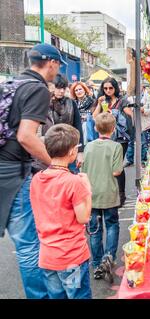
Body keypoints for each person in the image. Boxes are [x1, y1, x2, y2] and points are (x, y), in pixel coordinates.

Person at [0, 43, 65, 299]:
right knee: (28, 245)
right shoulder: (38, 89)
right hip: (13, 173)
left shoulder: (12, 84)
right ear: (51, 62)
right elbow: (27, 137)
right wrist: (55, 163)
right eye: (58, 64)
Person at [30, 124, 92, 299]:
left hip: (47, 256)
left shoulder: (36, 179)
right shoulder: (74, 182)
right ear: (72, 151)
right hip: (71, 257)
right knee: (78, 295)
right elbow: (84, 217)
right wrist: (88, 189)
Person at [82, 113, 123, 283]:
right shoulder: (116, 147)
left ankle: (97, 262)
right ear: (113, 130)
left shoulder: (88, 146)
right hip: (109, 193)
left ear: (95, 128)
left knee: (95, 229)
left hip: (92, 194)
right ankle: (108, 257)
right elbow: (116, 171)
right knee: (112, 225)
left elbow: (83, 169)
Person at [93, 77, 132, 207]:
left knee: (118, 166)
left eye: (110, 88)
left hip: (120, 137)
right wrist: (99, 104)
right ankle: (112, 193)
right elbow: (94, 117)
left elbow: (130, 113)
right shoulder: (102, 100)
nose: (108, 90)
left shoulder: (122, 101)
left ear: (115, 88)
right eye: (105, 88)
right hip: (106, 137)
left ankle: (121, 194)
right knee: (108, 165)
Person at [40, 74, 84, 173]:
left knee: (71, 180)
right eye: (58, 88)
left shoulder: (71, 103)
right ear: (52, 87)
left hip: (69, 149)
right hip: (49, 150)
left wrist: (80, 152)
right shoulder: (44, 103)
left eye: (63, 88)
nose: (62, 91)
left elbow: (78, 127)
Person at [125, 86, 150, 167]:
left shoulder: (147, 96)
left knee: (143, 142)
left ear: (142, 86)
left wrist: (143, 110)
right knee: (130, 141)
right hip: (132, 122)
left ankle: (143, 160)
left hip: (143, 123)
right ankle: (129, 160)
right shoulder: (129, 97)